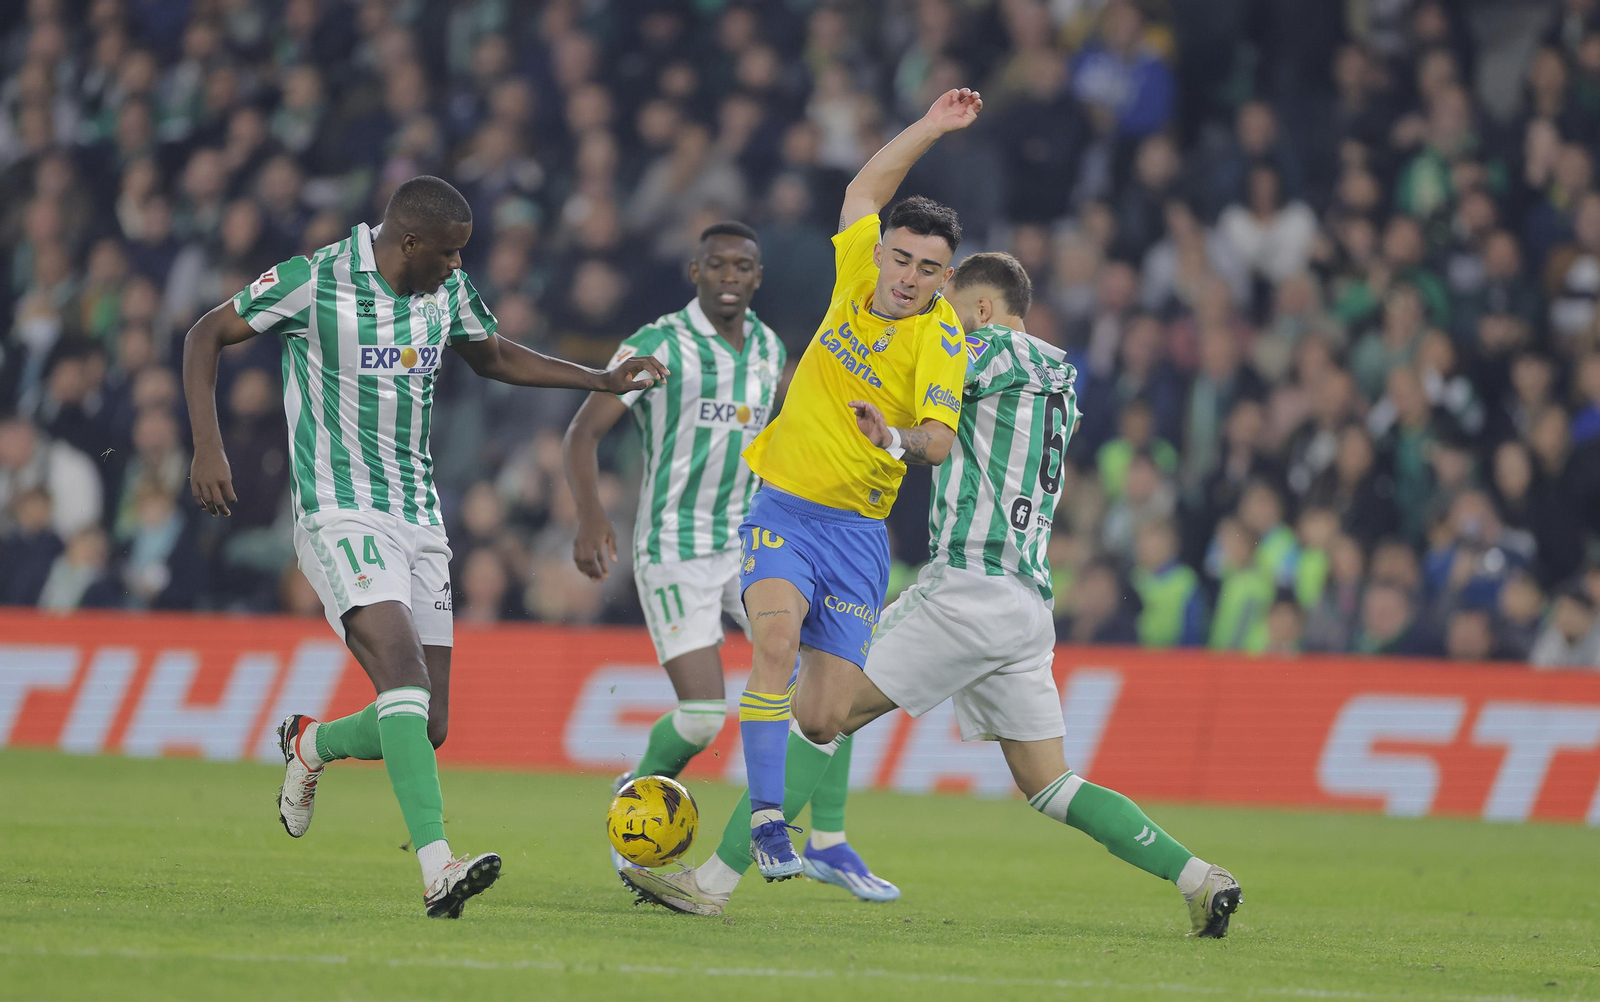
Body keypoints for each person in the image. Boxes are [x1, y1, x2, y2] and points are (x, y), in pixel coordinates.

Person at [622, 252, 1243, 938]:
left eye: (947, 307)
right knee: (1051, 783)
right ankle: (1198, 878)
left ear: (978, 311)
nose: (934, 320)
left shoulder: (979, 351)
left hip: (966, 589)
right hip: (1027, 604)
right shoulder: (1058, 370)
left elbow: (904, 377)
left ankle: (711, 883)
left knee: (819, 712)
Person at [181, 176, 667, 918]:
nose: (458, 266)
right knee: (403, 683)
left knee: (427, 723)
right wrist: (207, 447)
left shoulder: (446, 290)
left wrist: (598, 379)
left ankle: (310, 746)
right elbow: (204, 334)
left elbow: (494, 354)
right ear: (408, 243)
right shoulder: (313, 280)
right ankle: (439, 868)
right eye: (448, 254)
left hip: (419, 514)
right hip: (339, 512)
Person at [640, 87, 980, 886]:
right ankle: (765, 821)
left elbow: (940, 438)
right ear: (884, 250)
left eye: (928, 269)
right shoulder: (858, 266)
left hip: (860, 535)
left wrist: (893, 436)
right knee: (773, 642)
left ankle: (806, 832)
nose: (907, 276)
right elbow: (864, 190)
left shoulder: (943, 341)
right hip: (785, 507)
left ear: (947, 275)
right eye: (901, 257)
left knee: (825, 714)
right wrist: (929, 127)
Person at [561, 222, 893, 899]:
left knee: (828, 672)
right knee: (703, 716)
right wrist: (592, 516)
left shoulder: (770, 350)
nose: (731, 277)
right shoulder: (658, 346)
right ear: (696, 271)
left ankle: (829, 838)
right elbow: (583, 432)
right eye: (718, 265)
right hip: (674, 549)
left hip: (749, 541)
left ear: (758, 277)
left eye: (744, 266)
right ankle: (634, 798)